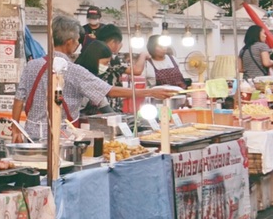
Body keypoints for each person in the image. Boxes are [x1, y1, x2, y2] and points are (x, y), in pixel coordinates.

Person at [15, 15, 173, 142]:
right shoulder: (73, 70)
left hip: (30, 135)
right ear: (69, 42)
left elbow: (19, 98)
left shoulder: (32, 65)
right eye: (77, 41)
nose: (78, 44)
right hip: (60, 137)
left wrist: (16, 128)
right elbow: (109, 91)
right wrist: (150, 93)